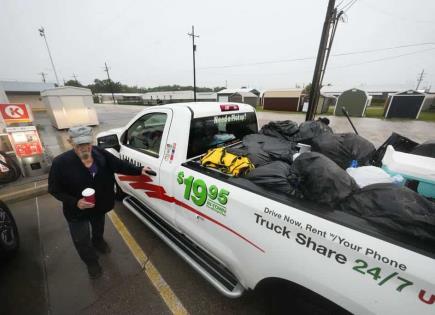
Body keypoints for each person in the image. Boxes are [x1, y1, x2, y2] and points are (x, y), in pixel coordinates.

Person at [48, 125, 147, 279]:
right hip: (76, 211)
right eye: (79, 144)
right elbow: (54, 189)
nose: (84, 147)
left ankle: (98, 242)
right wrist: (75, 202)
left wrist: (139, 170)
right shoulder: (60, 163)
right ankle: (91, 262)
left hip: (99, 205)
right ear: (70, 142)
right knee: (81, 239)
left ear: (92, 141)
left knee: (98, 226)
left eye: (87, 143)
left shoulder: (101, 154)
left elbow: (119, 165)